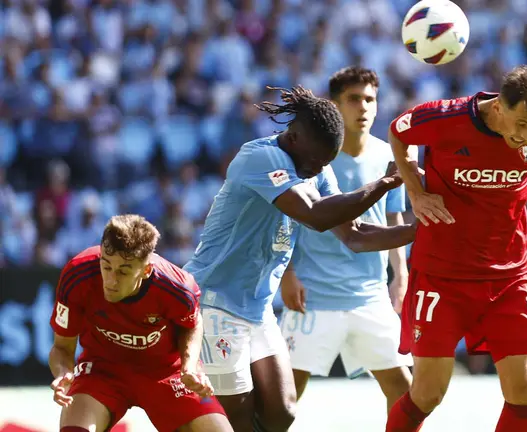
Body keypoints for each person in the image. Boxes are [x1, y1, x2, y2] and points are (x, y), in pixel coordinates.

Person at [385, 65, 527, 432]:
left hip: (510, 275)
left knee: (525, 390)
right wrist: (415, 190)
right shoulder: (445, 117)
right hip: (441, 274)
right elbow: (398, 132)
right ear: (499, 108)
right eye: (521, 123)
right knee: (428, 393)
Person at [184, 86, 417, 432]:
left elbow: (354, 235)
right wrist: (383, 184)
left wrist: (425, 229)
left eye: (325, 163)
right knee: (239, 419)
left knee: (282, 412)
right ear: (292, 138)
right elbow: (316, 215)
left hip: (257, 308)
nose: (317, 170)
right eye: (314, 162)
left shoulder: (316, 166)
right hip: (217, 302)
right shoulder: (258, 158)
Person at [280, 67, 413, 411]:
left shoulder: (389, 154)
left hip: (369, 295)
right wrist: (289, 273)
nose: (363, 107)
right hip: (313, 294)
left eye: (370, 99)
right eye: (354, 99)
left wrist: (401, 273)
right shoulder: (311, 156)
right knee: (284, 400)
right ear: (335, 105)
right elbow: (285, 217)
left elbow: (393, 216)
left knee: (405, 393)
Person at [48, 214, 232, 432]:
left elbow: (191, 323)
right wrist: (63, 373)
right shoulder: (77, 275)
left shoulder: (178, 286)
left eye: (123, 272)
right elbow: (61, 348)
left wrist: (189, 366)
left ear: (146, 270)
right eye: (106, 267)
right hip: (101, 371)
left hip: (165, 372)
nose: (111, 281)